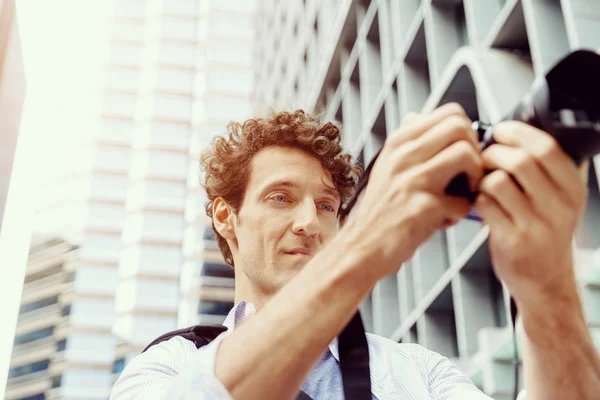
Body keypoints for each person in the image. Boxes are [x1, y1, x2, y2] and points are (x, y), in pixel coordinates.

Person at [110, 105, 600, 399]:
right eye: (280, 197)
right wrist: (365, 243)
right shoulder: (167, 366)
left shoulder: (418, 373)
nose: (310, 222)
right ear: (225, 216)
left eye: (327, 206)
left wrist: (548, 288)